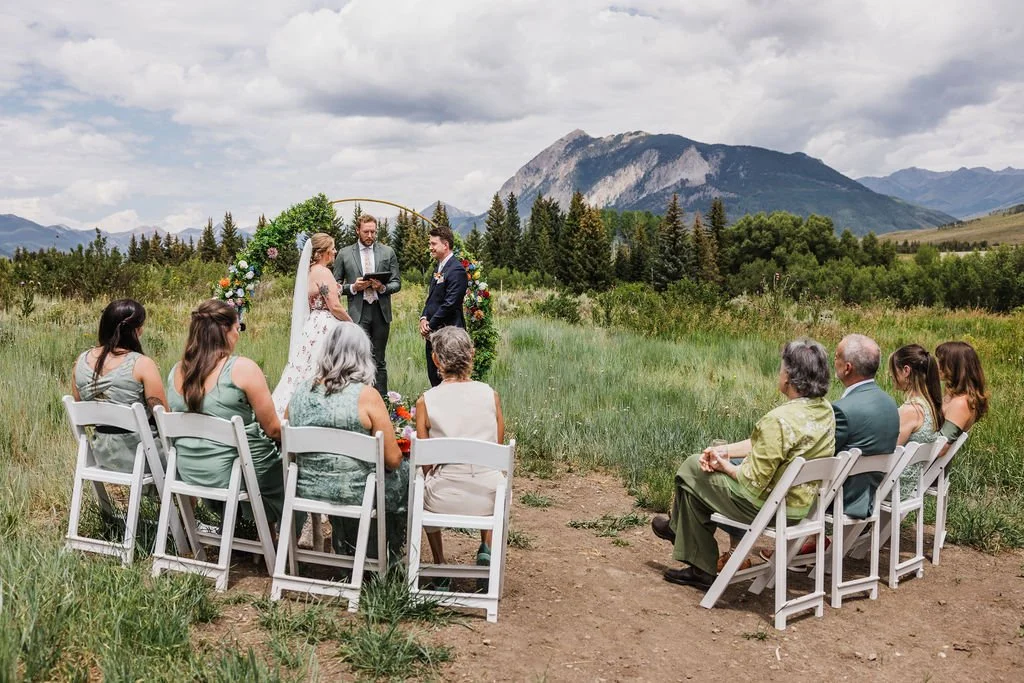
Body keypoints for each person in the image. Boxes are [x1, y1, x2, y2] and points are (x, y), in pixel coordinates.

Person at [651, 338, 835, 589]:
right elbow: (765, 445)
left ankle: (681, 535)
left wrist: (722, 466)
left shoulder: (779, 419)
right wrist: (723, 451)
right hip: (802, 507)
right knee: (695, 488)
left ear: (789, 377)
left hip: (769, 508)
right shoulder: (824, 410)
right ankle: (697, 562)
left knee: (692, 467)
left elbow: (752, 482)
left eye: (781, 368)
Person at [285, 322, 409, 559]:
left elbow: (286, 440)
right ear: (363, 356)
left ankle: (344, 546)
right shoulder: (366, 396)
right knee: (406, 472)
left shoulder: (301, 392)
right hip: (356, 493)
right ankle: (386, 554)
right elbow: (393, 459)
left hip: (305, 489)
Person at [167, 299, 284, 523]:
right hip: (234, 472)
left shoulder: (176, 371)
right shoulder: (242, 369)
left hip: (190, 470)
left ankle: (246, 533)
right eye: (237, 327)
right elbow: (274, 429)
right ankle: (279, 545)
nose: (238, 334)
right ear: (225, 331)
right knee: (292, 472)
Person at [414, 326, 505, 572]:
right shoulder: (490, 395)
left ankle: (439, 562)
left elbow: (426, 463)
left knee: (420, 480)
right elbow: (496, 449)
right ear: (471, 355)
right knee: (491, 472)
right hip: (488, 499)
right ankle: (486, 544)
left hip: (442, 498)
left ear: (436, 359)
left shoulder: (426, 401)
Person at [72, 299, 166, 474]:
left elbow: (81, 409)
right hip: (141, 456)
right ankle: (176, 502)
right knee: (183, 457)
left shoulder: (81, 361)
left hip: (101, 455)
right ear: (135, 330)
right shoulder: (142, 364)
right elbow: (163, 417)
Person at [272, 233, 352, 415]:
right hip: (326, 324)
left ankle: (289, 410)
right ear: (323, 252)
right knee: (321, 367)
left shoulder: (309, 272)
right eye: (332, 248)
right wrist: (351, 323)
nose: (335, 251)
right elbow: (335, 305)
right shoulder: (324, 272)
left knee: (303, 366)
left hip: (312, 324)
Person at [831, 334, 900, 519]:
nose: (833, 359)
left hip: (840, 498)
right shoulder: (889, 403)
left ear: (847, 368)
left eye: (837, 356)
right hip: (871, 493)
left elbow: (821, 455)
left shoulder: (842, 409)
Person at [332, 214, 401, 395]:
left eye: (373, 231)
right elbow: (334, 286)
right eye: (366, 231)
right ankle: (356, 402)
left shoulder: (388, 252)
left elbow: (397, 283)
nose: (370, 235)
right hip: (357, 313)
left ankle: (383, 403)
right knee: (355, 359)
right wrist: (353, 287)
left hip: (381, 312)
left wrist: (383, 287)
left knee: (379, 360)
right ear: (357, 231)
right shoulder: (345, 254)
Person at [889, 344, 943, 498]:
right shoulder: (930, 404)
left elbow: (890, 449)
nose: (890, 374)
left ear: (906, 370)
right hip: (912, 482)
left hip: (896, 485)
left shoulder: (912, 410)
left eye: (893, 370)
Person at [419, 224, 468, 387]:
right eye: (430, 244)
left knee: (450, 382)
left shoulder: (456, 270)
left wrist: (430, 326)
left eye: (433, 244)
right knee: (434, 379)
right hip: (434, 336)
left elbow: (450, 304)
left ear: (445, 245)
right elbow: (431, 298)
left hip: (449, 336)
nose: (430, 248)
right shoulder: (439, 268)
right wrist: (423, 318)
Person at [935, 341, 988, 441]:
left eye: (941, 362)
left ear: (954, 366)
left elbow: (942, 446)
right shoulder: (954, 396)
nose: (937, 366)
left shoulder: (961, 403)